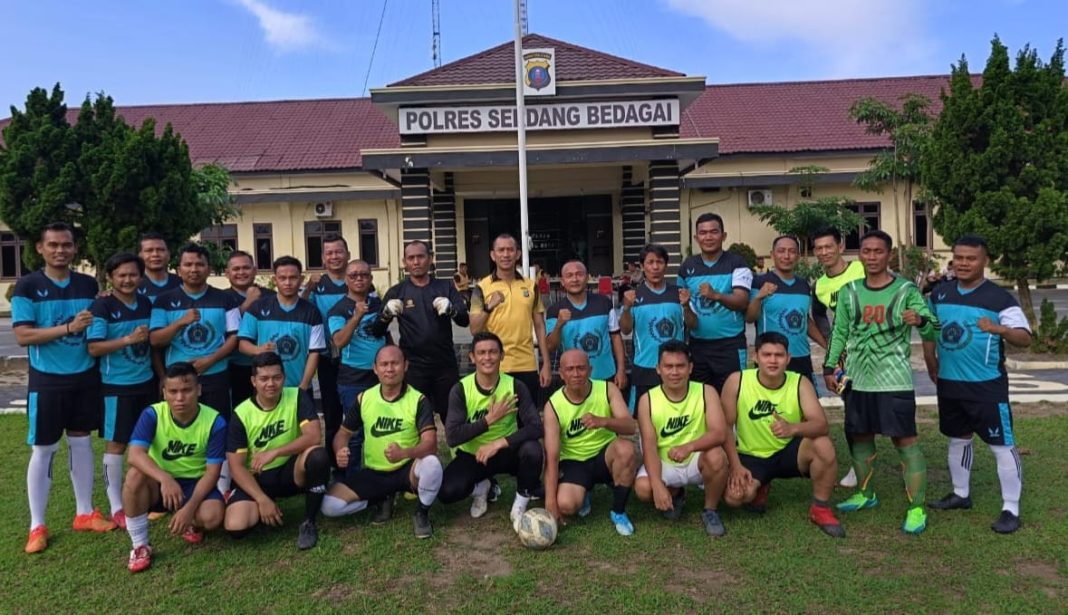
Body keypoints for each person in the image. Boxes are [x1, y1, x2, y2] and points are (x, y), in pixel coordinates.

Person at [823, 230, 939, 535]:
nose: (872, 257)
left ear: (888, 255)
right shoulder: (849, 292)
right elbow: (840, 332)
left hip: (894, 381)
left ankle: (917, 508)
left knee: (905, 442)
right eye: (866, 251)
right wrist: (828, 365)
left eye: (878, 251)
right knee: (860, 437)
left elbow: (933, 326)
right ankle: (865, 494)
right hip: (858, 379)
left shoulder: (905, 291)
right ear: (858, 255)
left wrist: (922, 320)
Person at [14, 222, 115, 554]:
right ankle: (37, 525)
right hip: (47, 380)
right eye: (53, 245)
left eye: (67, 245)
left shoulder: (87, 284)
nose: (61, 250)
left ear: (74, 248)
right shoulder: (27, 286)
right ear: (40, 248)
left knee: (82, 443)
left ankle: (84, 512)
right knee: (43, 450)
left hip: (85, 376)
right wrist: (68, 327)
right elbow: (24, 336)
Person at [922, 235, 1032, 534]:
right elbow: (929, 328)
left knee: (1002, 446)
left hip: (986, 387)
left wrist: (999, 328)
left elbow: (1024, 337)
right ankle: (960, 494)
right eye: (959, 257)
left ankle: (1011, 508)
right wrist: (930, 358)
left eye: (971, 258)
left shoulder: (999, 298)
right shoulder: (941, 294)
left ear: (985, 261)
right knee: (958, 439)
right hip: (949, 383)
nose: (964, 263)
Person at [720, 333, 845, 538]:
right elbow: (725, 427)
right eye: (767, 354)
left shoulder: (799, 382)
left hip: (788, 452)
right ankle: (761, 485)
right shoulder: (738, 381)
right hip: (751, 456)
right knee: (735, 498)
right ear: (755, 356)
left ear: (788, 358)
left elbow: (821, 425)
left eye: (779, 355)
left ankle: (820, 508)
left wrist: (792, 428)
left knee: (822, 444)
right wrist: (735, 465)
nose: (773, 360)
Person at [320, 346, 442, 539]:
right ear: (375, 368)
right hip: (374, 472)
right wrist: (340, 449)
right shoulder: (365, 398)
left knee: (432, 465)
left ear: (405, 366)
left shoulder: (418, 400)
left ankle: (421, 512)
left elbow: (431, 445)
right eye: (384, 364)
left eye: (395, 363)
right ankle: (380, 499)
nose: (389, 369)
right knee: (329, 506)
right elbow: (342, 433)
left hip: (406, 470)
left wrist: (404, 453)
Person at [121, 362, 227, 572]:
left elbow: (213, 473)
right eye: (173, 391)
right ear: (164, 393)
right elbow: (134, 455)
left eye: (186, 390)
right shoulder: (152, 414)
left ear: (198, 390)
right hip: (159, 484)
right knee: (134, 476)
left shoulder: (215, 421)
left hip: (194, 483)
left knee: (213, 516)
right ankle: (140, 545)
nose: (180, 398)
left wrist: (189, 508)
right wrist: (165, 478)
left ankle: (190, 521)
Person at [223, 352, 331, 550]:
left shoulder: (296, 396)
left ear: (284, 378)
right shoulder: (241, 413)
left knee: (317, 455)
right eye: (264, 379)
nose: (270, 383)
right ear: (253, 381)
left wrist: (275, 452)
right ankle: (263, 507)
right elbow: (236, 467)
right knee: (235, 527)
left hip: (290, 471)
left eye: (276, 377)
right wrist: (261, 499)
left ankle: (309, 521)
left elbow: (314, 436)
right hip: (258, 477)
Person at [439, 332, 544, 531]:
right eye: (482, 353)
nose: (487, 357)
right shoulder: (460, 389)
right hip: (474, 455)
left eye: (493, 352)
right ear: (472, 357)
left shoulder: (515, 386)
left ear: (502, 355)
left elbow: (536, 427)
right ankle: (482, 487)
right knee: (447, 492)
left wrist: (500, 442)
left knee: (532, 450)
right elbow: (452, 437)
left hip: (506, 451)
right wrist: (488, 420)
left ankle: (519, 505)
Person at [87, 252, 160, 529]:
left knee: (151, 443)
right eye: (121, 275)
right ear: (111, 277)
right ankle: (117, 505)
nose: (128, 280)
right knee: (117, 444)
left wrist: (161, 376)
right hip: (117, 386)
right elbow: (93, 347)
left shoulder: (146, 303)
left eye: (132, 275)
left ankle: (151, 496)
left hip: (147, 383)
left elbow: (151, 346)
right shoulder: (102, 307)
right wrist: (128, 338)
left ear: (141, 277)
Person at [634, 341, 729, 537]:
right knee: (644, 489)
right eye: (668, 366)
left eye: (680, 366)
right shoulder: (647, 400)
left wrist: (689, 447)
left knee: (717, 456)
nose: (674, 372)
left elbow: (719, 433)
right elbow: (650, 447)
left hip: (696, 458)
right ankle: (675, 493)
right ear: (658, 369)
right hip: (665, 462)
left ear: (690, 368)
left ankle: (710, 510)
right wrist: (658, 485)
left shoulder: (706, 391)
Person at [543, 350, 638, 536]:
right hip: (574, 461)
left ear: (590, 370)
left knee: (626, 449)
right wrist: (550, 503)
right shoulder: (553, 405)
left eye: (581, 368)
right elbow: (552, 457)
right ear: (561, 374)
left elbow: (629, 427)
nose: (576, 374)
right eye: (570, 369)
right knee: (566, 505)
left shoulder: (607, 389)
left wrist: (604, 421)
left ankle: (618, 512)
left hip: (604, 456)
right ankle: (584, 491)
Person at [373, 241, 468, 424]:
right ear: (404, 262)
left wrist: (452, 310)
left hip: (444, 364)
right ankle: (418, 452)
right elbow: (377, 330)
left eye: (420, 256)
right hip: (413, 367)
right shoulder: (397, 291)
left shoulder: (445, 287)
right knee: (414, 418)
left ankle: (459, 452)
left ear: (430, 259)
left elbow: (464, 321)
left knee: (453, 418)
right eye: (411, 258)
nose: (416, 262)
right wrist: (385, 315)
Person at [150, 244, 241, 419]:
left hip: (216, 375)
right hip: (177, 379)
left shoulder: (226, 299)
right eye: (188, 264)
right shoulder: (164, 301)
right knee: (179, 430)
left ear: (209, 269)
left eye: (200, 264)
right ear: (178, 270)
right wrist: (180, 323)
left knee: (217, 427)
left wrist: (209, 360)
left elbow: (234, 337)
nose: (194, 269)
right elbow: (155, 340)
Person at [810, 226, 867, 489]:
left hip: (880, 355)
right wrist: (832, 342)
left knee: (886, 412)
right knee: (853, 412)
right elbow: (819, 315)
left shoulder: (862, 269)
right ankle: (859, 467)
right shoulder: (820, 286)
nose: (823, 252)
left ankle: (906, 466)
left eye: (828, 246)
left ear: (840, 246)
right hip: (848, 359)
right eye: (818, 248)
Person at [469, 234, 551, 405]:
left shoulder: (530, 285)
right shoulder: (482, 287)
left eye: (510, 250)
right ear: (493, 255)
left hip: (526, 364)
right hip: (495, 365)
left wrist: (546, 364)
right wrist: (489, 306)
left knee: (527, 421)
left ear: (518, 254)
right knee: (497, 421)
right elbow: (474, 329)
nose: (505, 254)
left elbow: (540, 326)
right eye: (501, 250)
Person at [677, 213, 752, 393]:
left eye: (714, 232)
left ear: (723, 235)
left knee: (733, 399)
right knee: (702, 401)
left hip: (730, 345)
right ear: (696, 238)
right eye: (703, 233)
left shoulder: (737, 262)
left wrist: (716, 295)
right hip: (698, 346)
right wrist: (686, 306)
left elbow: (742, 302)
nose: (708, 237)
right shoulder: (687, 267)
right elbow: (686, 313)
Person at [619, 244, 696, 408]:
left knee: (678, 411)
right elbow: (625, 329)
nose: (655, 267)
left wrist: (687, 306)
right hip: (645, 366)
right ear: (642, 266)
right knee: (643, 416)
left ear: (666, 265)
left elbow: (693, 324)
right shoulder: (634, 296)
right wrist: (626, 308)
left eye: (659, 262)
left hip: (675, 366)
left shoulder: (679, 293)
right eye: (650, 262)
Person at [745, 235, 827, 381]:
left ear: (798, 256)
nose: (786, 256)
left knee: (804, 401)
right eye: (781, 251)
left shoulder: (803, 285)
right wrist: (759, 297)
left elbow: (805, 321)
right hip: (771, 359)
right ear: (772, 254)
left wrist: (826, 346)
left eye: (792, 251)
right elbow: (750, 318)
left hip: (801, 357)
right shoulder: (760, 282)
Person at [238, 256, 325, 390]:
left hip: (298, 387)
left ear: (301, 279)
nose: (288, 282)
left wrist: (304, 385)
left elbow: (314, 353)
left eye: (293, 277)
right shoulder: (257, 308)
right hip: (266, 388)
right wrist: (258, 350)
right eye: (282, 278)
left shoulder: (312, 312)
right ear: (275, 280)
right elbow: (242, 345)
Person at [304, 233, 350, 470]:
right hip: (326, 358)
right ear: (323, 257)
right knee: (332, 413)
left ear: (347, 254)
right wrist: (308, 288)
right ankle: (334, 465)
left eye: (338, 251)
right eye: (329, 252)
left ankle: (358, 460)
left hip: (355, 359)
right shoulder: (317, 286)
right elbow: (300, 309)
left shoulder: (357, 279)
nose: (334, 256)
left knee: (356, 411)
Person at [546, 260, 627, 391]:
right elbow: (550, 346)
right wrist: (559, 324)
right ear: (562, 281)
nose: (575, 279)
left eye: (579, 274)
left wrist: (621, 369)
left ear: (587, 277)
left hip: (605, 376)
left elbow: (616, 337)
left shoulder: (604, 303)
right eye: (569, 275)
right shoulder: (555, 310)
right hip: (574, 379)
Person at [224, 250, 275, 408]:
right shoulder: (220, 298)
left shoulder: (271, 296)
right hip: (235, 365)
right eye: (236, 269)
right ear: (227, 273)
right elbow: (221, 329)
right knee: (240, 410)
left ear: (254, 270)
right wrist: (248, 303)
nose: (241, 272)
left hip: (266, 366)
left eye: (246, 268)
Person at [136, 232, 182, 303]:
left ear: (168, 254)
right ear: (140, 255)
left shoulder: (182, 284)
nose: (155, 254)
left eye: (161, 250)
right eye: (149, 250)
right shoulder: (133, 285)